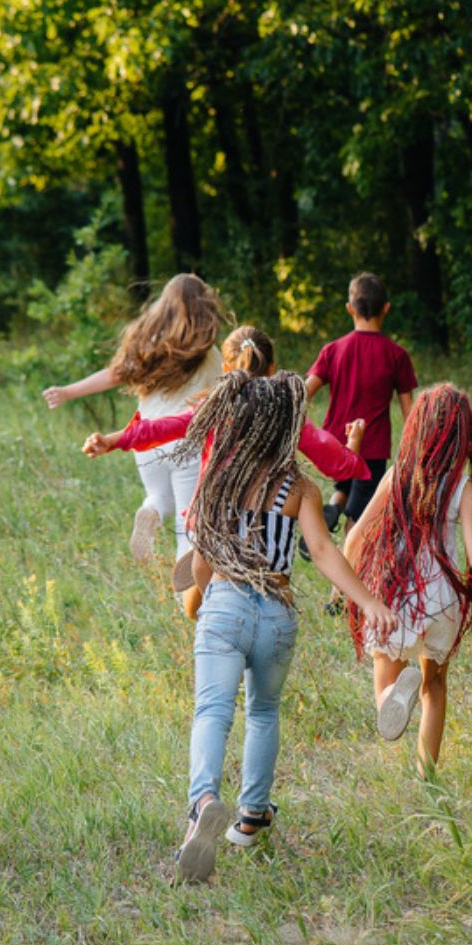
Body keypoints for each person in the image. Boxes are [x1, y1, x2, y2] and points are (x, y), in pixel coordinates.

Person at [168, 370, 398, 884]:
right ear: (287, 427)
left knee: (212, 711)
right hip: (276, 613)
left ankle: (202, 803)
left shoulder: (218, 480)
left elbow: (202, 564)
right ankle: (252, 814)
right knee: (264, 712)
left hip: (225, 604)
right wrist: (368, 601)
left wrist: (202, 600)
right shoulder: (300, 488)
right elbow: (322, 551)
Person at [80, 326, 368, 616]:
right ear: (272, 367)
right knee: (266, 591)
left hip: (215, 513)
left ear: (225, 368)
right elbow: (330, 457)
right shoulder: (286, 412)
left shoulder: (217, 405)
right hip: (267, 513)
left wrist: (113, 440)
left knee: (200, 608)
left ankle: (206, 594)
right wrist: (354, 447)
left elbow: (165, 426)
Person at [344, 385, 472, 773]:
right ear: (464, 434)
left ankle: (393, 697)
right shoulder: (464, 487)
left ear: (419, 427)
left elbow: (356, 537)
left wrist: (343, 587)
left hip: (398, 591)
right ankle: (427, 775)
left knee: (385, 668)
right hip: (443, 597)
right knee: (435, 688)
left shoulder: (397, 476)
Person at [42, 274, 226, 562]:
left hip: (146, 440)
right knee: (187, 524)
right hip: (187, 442)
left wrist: (68, 391)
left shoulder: (149, 344)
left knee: (159, 497)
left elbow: (115, 374)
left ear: (163, 306)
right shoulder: (209, 354)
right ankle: (187, 598)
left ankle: (150, 512)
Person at [306, 272, 417, 531]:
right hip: (372, 449)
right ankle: (352, 563)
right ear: (386, 308)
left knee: (346, 485)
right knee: (360, 519)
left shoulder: (332, 350)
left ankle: (335, 504)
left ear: (349, 308)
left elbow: (304, 391)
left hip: (335, 444)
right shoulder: (396, 355)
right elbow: (410, 411)